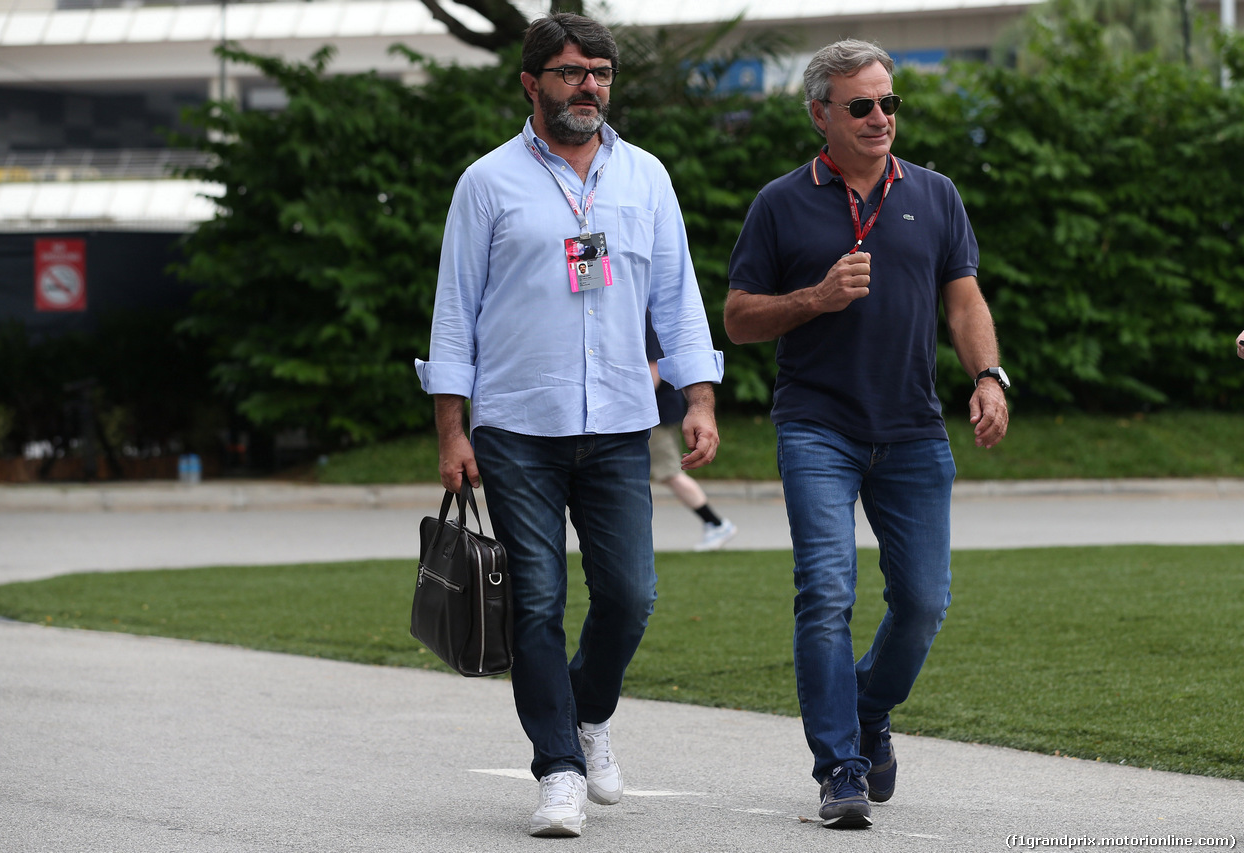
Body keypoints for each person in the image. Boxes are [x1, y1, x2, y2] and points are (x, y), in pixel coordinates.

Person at [414, 13, 724, 839]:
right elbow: (454, 314)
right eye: (570, 72)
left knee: (630, 594)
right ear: (531, 83)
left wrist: (700, 397)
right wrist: (453, 430)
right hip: (517, 426)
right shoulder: (487, 182)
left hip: (621, 420)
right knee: (538, 600)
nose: (588, 85)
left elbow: (679, 298)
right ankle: (557, 769)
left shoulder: (647, 177)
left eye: (600, 72)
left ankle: (589, 715)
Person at [723, 39, 1009, 829]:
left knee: (923, 602)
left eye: (888, 102)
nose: (880, 117)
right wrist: (813, 298)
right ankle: (840, 767)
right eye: (861, 105)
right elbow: (740, 316)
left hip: (914, 429)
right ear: (821, 112)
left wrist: (987, 376)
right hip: (818, 425)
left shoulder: (936, 193)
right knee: (825, 593)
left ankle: (870, 708)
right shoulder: (781, 202)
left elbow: (964, 301)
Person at [646, 318, 737, 550]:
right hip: (657, 411)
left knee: (669, 473)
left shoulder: (646, 317)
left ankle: (715, 523)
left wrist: (633, 407)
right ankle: (715, 523)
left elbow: (653, 369)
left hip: (654, 413)